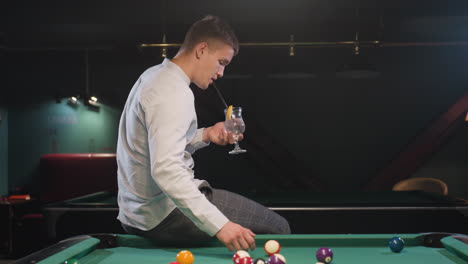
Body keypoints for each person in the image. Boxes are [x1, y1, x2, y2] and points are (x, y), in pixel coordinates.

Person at [116, 15, 290, 252]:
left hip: (135, 215)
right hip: (164, 215)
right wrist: (222, 226)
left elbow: (154, 146)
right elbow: (166, 169)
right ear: (201, 50)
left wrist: (207, 134)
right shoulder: (173, 92)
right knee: (278, 227)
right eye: (221, 62)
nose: (221, 73)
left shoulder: (154, 76)